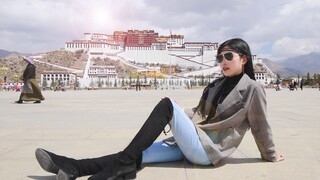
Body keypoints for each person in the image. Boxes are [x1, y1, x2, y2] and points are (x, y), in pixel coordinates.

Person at [35, 38, 284, 180]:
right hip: (190, 143)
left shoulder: (252, 88)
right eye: (219, 58)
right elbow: (199, 114)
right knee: (136, 153)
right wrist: (176, 116)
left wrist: (270, 154)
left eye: (228, 56)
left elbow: (260, 126)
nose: (223, 62)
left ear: (244, 58)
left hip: (208, 151)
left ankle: (115, 169)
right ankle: (72, 166)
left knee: (165, 107)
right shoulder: (216, 84)